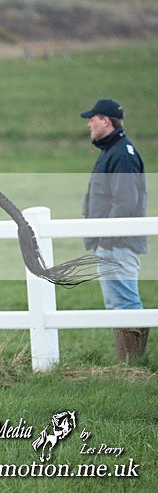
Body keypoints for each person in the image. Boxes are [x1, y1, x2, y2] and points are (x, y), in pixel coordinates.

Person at [80, 99, 149, 361]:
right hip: (114, 242)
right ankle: (129, 364)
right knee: (118, 303)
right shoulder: (115, 151)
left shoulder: (121, 154)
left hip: (117, 243)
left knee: (124, 303)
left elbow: (126, 202)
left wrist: (107, 238)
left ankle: (132, 365)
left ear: (106, 121)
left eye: (92, 119)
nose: (89, 125)